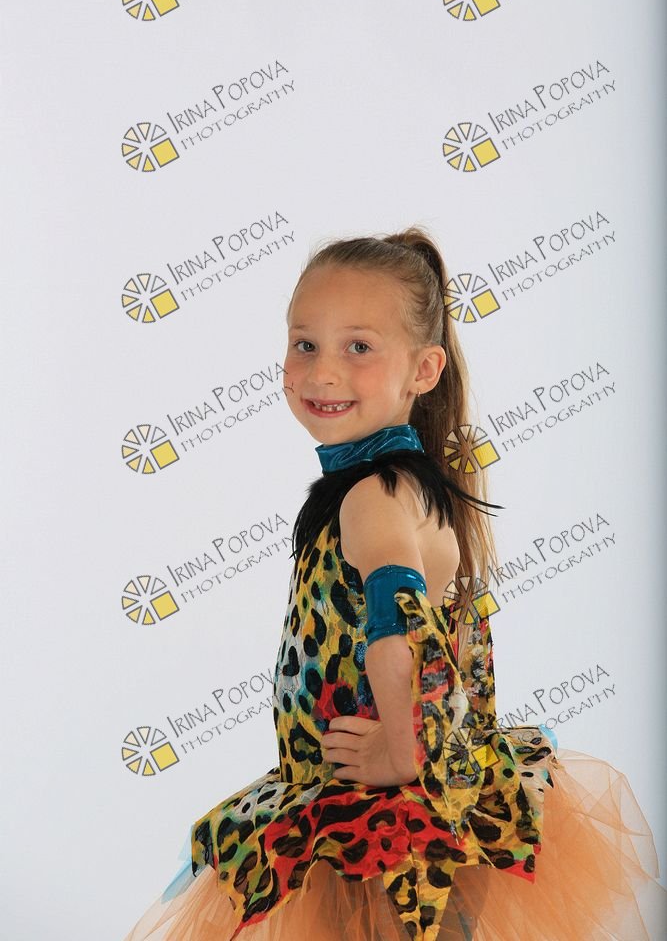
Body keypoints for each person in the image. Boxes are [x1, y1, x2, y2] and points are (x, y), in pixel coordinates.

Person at [123, 228, 665, 940]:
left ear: (424, 369)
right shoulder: (399, 487)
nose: (321, 371)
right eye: (304, 343)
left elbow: (398, 627)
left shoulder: (373, 496)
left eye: (358, 346)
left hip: (382, 821)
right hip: (376, 802)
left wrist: (400, 752)